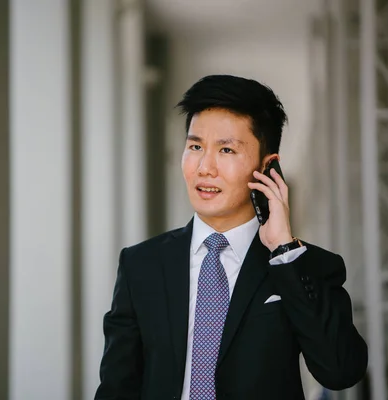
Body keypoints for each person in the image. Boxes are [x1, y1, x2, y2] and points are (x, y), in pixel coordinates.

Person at [95, 75, 368, 399]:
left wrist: (283, 249)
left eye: (226, 149)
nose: (204, 167)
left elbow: (340, 371)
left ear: (268, 168)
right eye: (195, 146)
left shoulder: (305, 265)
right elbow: (116, 388)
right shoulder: (141, 264)